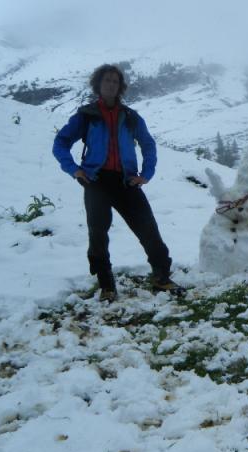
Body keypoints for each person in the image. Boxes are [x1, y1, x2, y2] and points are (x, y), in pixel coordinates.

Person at [53, 64, 182, 301]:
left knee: (148, 229)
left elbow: (148, 144)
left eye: (115, 81)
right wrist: (74, 169)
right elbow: (60, 143)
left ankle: (161, 276)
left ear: (120, 86)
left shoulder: (131, 117)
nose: (111, 84)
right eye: (107, 80)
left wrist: (146, 174)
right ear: (98, 85)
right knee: (98, 234)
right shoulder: (86, 115)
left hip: (127, 181)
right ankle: (107, 285)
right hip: (96, 181)